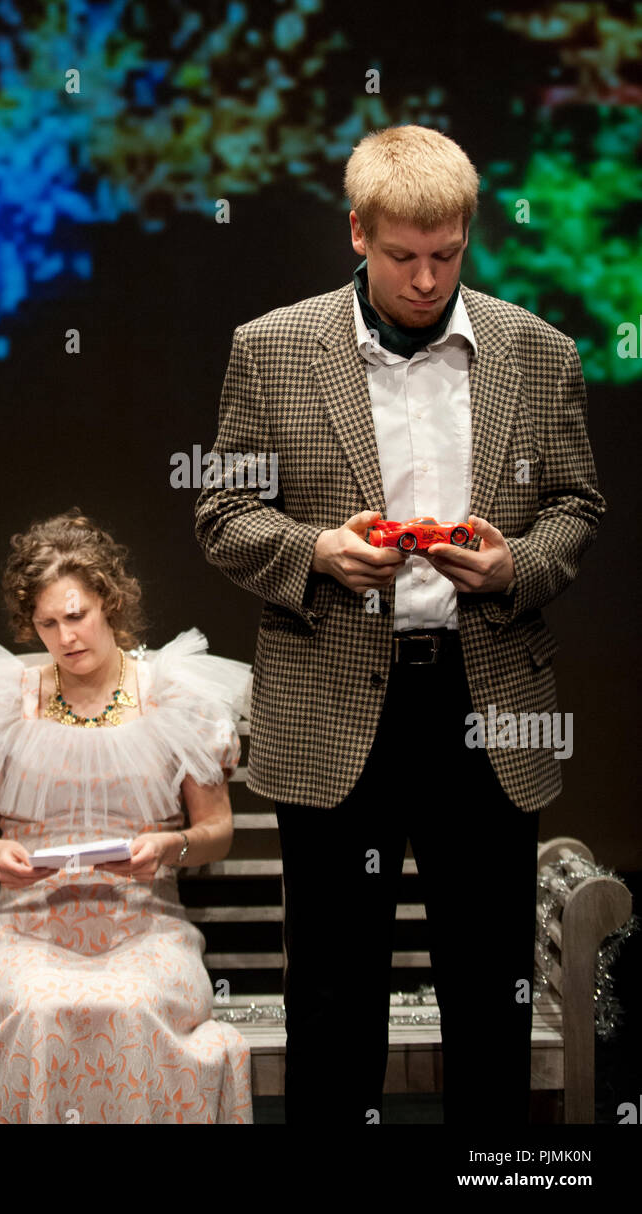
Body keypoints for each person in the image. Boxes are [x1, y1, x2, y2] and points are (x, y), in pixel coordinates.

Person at [194, 124, 606, 1126]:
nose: (427, 279)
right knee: (332, 999)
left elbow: (576, 507)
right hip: (337, 698)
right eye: (402, 256)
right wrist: (316, 554)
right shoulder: (274, 347)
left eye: (447, 255)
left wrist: (514, 565)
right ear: (356, 234)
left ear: (467, 235)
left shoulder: (537, 352)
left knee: (489, 995)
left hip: (487, 695)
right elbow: (223, 514)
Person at [0, 508, 253, 1124]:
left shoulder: (173, 695)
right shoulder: (3, 704)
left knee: (131, 1003)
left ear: (109, 602)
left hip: (145, 927)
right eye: (47, 623)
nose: (67, 637)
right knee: (40, 1006)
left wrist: (170, 847)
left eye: (77, 615)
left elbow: (217, 833)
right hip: (29, 928)